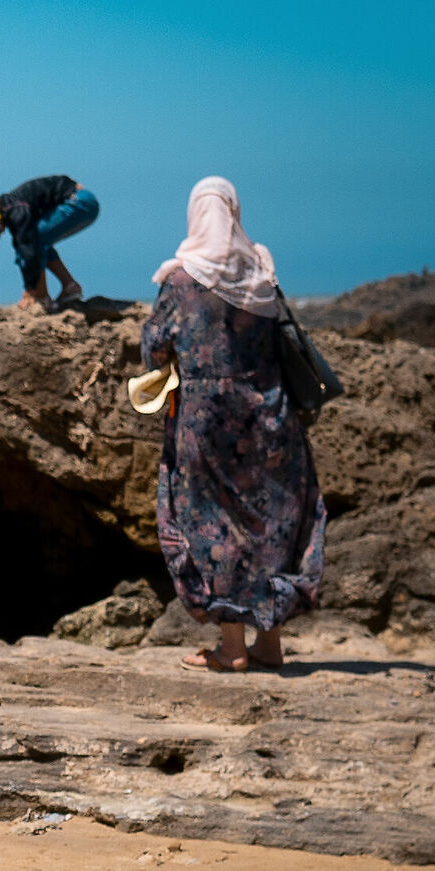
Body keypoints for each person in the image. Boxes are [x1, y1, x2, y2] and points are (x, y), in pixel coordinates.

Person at [143, 177, 325, 672]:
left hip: (208, 422)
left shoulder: (181, 280)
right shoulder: (262, 272)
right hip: (271, 418)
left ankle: (232, 648)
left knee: (213, 527)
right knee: (272, 525)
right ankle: (270, 645)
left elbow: (155, 346)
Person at [0, 174, 98, 312]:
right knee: (34, 242)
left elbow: (29, 249)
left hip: (79, 201)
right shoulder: (11, 208)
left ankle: (41, 297)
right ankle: (69, 286)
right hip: (81, 200)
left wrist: (30, 289)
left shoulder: (16, 210)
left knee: (34, 241)